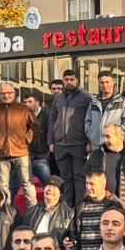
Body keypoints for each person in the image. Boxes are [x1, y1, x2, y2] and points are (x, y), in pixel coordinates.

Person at [47, 69, 95, 208]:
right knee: (65, 179)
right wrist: (51, 141)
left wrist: (89, 141)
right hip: (60, 145)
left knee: (80, 179)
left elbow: (92, 120)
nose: (69, 82)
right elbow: (52, 120)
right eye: (66, 79)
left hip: (79, 144)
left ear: (77, 80)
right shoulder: (58, 98)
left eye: (72, 79)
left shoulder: (86, 98)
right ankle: (67, 210)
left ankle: (80, 210)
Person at [0, 81, 36, 207]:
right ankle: (6, 214)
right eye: (3, 93)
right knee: (3, 185)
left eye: (9, 93)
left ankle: (33, 213)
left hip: (21, 152)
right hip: (1, 154)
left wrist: (26, 139)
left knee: (27, 183)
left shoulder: (24, 109)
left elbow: (34, 126)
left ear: (14, 93)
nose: (6, 96)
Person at [25, 177, 76, 250]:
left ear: (60, 194)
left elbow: (72, 239)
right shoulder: (33, 211)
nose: (50, 189)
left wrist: (67, 241)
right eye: (48, 186)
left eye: (55, 187)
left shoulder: (68, 213)